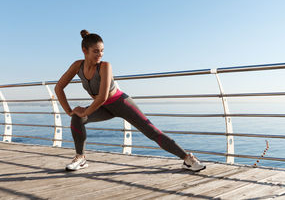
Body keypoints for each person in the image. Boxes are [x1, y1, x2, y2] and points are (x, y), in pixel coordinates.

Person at [55, 30, 206, 172]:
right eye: (95, 51)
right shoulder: (77, 66)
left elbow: (102, 96)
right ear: (84, 50)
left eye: (101, 51)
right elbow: (59, 88)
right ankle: (80, 158)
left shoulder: (105, 66)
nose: (99, 54)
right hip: (103, 107)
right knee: (76, 118)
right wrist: (69, 111)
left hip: (121, 103)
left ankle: (187, 159)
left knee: (151, 131)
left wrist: (85, 111)